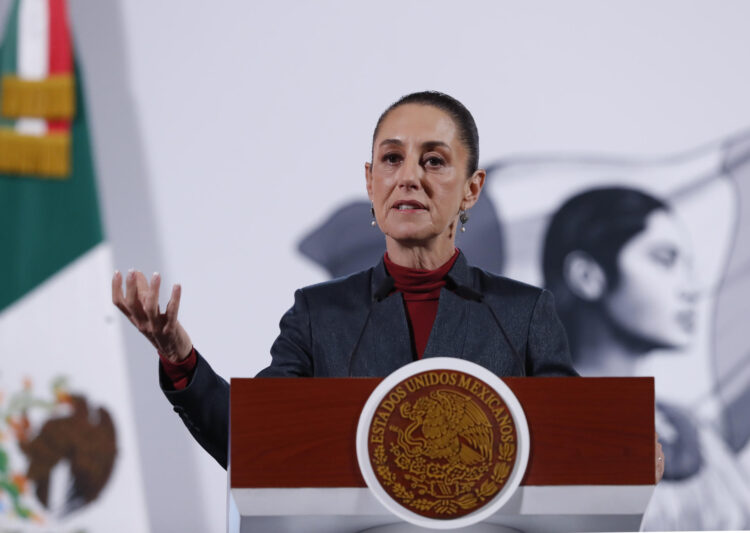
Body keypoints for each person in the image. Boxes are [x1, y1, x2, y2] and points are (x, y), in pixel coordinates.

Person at [111, 92, 661, 480]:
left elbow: (573, 446)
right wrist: (178, 355)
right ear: (370, 182)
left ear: (472, 190)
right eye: (391, 158)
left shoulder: (524, 313)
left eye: (435, 161)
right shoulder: (318, 315)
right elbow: (253, 443)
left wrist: (626, 455)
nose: (409, 177)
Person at [542, 186, 750, 530]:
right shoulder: (527, 429)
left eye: (689, 266)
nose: (692, 288)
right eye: (665, 260)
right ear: (587, 275)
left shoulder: (694, 432)